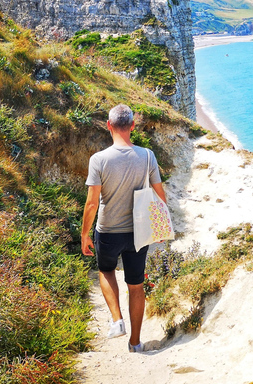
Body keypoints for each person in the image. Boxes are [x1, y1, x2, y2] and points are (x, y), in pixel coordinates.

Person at [81, 104, 167, 353]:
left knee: (106, 271)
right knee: (136, 286)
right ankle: (136, 343)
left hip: (107, 230)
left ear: (108, 126)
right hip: (138, 233)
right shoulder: (148, 156)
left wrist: (85, 234)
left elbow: (91, 203)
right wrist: (160, 228)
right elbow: (159, 195)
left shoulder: (99, 160)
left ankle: (117, 320)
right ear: (132, 126)